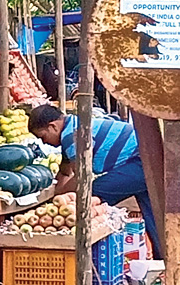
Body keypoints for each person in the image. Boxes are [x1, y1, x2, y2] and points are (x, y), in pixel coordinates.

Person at [27, 103, 161, 259]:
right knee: (154, 214)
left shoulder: (71, 135)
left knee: (93, 192)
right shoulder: (73, 126)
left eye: (43, 136)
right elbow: (64, 172)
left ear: (53, 127)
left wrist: (62, 203)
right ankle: (163, 259)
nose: (43, 143)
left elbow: (81, 178)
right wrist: (53, 198)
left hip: (139, 161)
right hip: (147, 159)